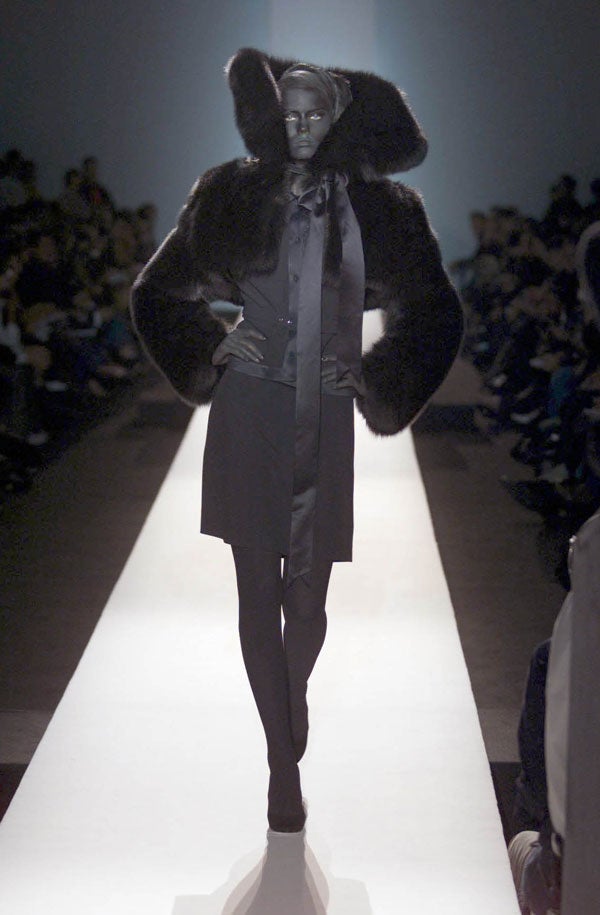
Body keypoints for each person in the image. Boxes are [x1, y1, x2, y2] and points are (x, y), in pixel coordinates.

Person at [131, 48, 463, 833]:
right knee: (256, 592)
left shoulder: (386, 209)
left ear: (339, 119)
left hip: (324, 413)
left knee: (307, 601)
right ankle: (281, 765)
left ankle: (293, 692)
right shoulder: (228, 191)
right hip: (247, 405)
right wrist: (209, 349)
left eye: (317, 112)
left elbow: (436, 311)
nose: (303, 125)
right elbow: (156, 291)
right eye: (292, 112)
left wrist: (376, 380)